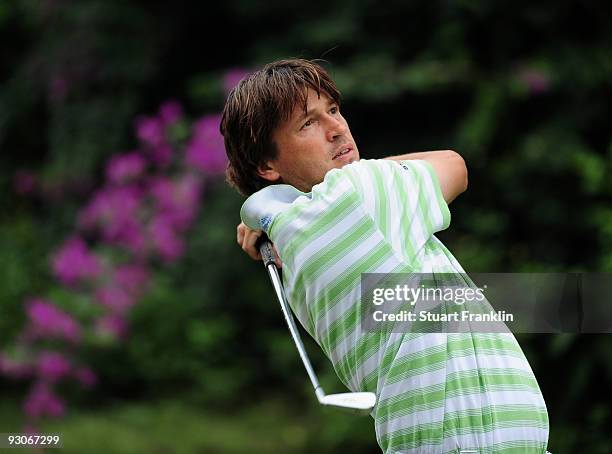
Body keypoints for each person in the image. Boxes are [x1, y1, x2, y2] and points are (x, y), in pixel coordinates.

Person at [221, 58, 550, 453]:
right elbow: (454, 165)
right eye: (308, 123)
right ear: (266, 165)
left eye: (333, 110)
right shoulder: (356, 197)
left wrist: (267, 206)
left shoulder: (293, 241)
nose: (336, 128)